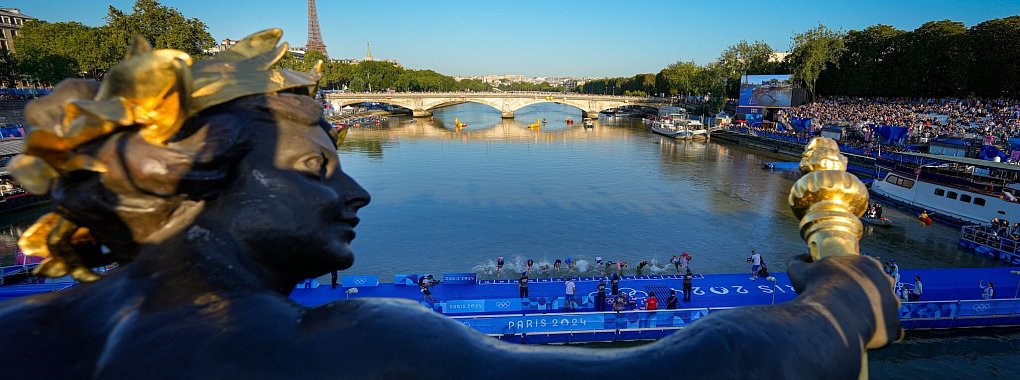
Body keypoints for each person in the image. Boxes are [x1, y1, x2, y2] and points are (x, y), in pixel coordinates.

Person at [0, 31, 903, 379]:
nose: (354, 188)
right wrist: (839, 303)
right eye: (316, 164)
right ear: (200, 171)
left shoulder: (30, 332)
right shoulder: (349, 345)